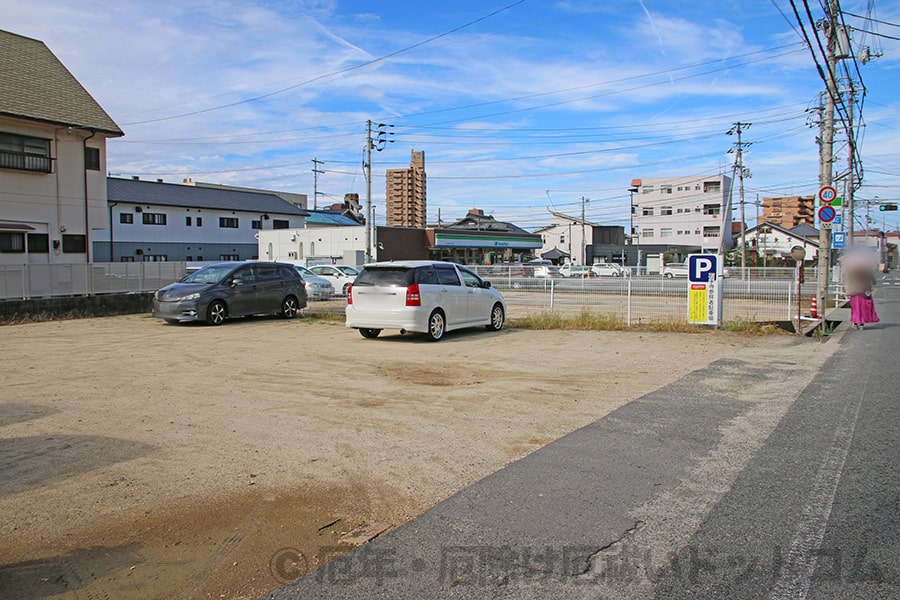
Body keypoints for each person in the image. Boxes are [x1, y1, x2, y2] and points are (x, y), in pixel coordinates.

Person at [844, 266, 879, 330]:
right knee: (864, 309)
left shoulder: (852, 272)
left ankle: (855, 323)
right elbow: (874, 282)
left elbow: (848, 281)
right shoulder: (868, 272)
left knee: (855, 309)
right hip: (865, 293)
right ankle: (862, 324)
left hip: (855, 293)